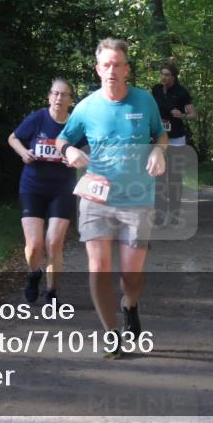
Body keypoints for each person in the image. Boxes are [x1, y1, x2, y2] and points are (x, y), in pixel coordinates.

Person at [56, 38, 167, 360]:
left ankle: (129, 304)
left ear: (126, 69)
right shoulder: (87, 106)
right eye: (106, 65)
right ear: (97, 68)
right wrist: (70, 149)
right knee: (99, 267)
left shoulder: (144, 101)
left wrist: (159, 152)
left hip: (137, 197)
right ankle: (110, 333)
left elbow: (160, 133)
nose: (112, 70)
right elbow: (63, 137)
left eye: (118, 64)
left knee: (130, 277)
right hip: (96, 197)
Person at [7, 79, 79, 304]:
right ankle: (33, 274)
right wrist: (23, 153)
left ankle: (51, 291)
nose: (59, 98)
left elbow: (88, 150)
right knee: (35, 244)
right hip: (33, 187)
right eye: (56, 94)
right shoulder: (37, 118)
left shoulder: (75, 124)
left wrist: (76, 160)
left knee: (54, 242)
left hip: (63, 188)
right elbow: (13, 138)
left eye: (64, 95)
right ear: (49, 96)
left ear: (70, 100)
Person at [151, 63, 196, 223]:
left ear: (174, 77)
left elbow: (193, 115)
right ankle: (160, 214)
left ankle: (175, 213)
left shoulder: (181, 92)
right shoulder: (155, 89)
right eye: (162, 74)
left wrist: (182, 115)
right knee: (160, 177)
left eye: (167, 75)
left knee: (175, 178)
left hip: (176, 139)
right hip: (159, 139)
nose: (163, 77)